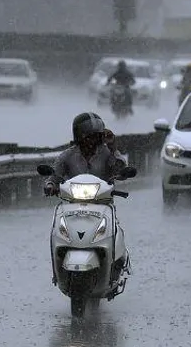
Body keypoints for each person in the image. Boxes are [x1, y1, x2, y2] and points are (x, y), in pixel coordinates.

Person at [43, 112, 130, 279]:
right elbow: (54, 176)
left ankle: (116, 265)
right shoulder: (67, 156)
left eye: (97, 137)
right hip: (72, 206)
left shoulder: (107, 154)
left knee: (116, 231)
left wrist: (113, 147)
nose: (92, 141)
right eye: (89, 137)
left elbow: (121, 169)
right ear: (79, 137)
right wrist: (50, 185)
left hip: (102, 204)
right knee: (56, 231)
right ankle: (58, 270)